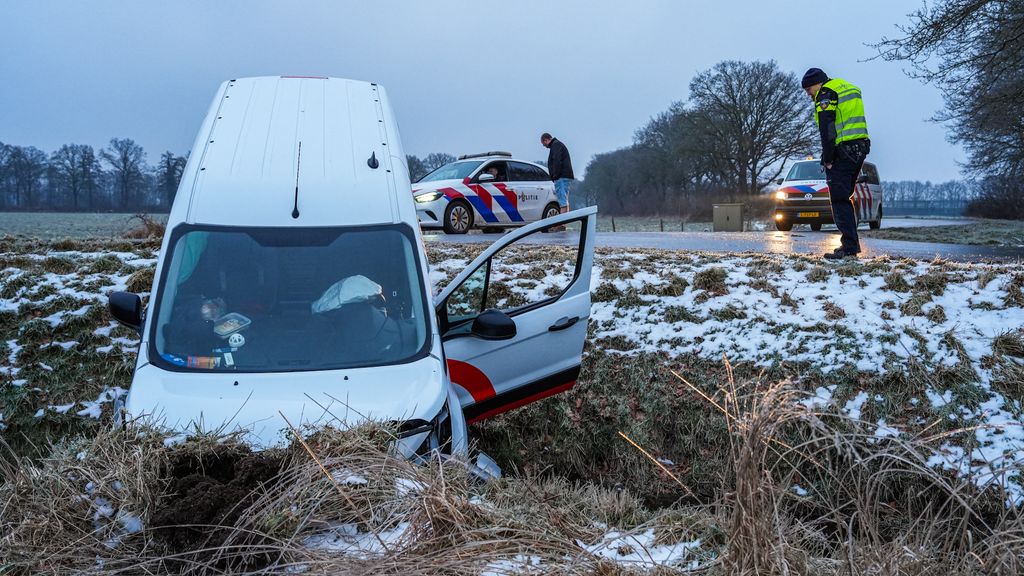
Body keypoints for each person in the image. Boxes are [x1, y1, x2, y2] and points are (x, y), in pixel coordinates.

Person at [801, 68, 871, 260]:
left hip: (843, 151)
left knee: (839, 199)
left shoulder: (826, 94)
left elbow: (827, 128)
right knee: (846, 197)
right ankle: (851, 244)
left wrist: (828, 157)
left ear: (818, 83)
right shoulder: (846, 87)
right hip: (860, 147)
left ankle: (849, 248)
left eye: (809, 88)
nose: (808, 93)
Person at [541, 132, 574, 218]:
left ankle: (562, 223)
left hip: (561, 177)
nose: (544, 146)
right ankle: (564, 222)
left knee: (562, 201)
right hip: (566, 175)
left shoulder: (555, 146)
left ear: (546, 140)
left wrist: (555, 176)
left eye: (543, 143)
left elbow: (557, 162)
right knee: (565, 200)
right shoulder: (558, 145)